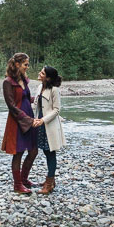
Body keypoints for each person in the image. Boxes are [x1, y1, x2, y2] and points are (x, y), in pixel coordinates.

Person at [1, 53, 39, 194]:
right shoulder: (8, 82)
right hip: (17, 121)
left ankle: (24, 179)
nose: (27, 67)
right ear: (17, 64)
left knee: (33, 150)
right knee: (18, 153)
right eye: (25, 64)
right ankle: (17, 185)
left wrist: (40, 99)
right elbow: (11, 106)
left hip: (29, 118)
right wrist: (28, 120)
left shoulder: (24, 80)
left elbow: (26, 99)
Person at [31, 65, 66, 194]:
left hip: (49, 125)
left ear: (48, 77)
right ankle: (50, 180)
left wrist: (43, 120)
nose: (39, 73)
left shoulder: (54, 90)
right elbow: (36, 105)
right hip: (39, 124)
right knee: (46, 152)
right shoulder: (40, 87)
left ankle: (49, 183)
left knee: (50, 153)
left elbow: (57, 110)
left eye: (42, 73)